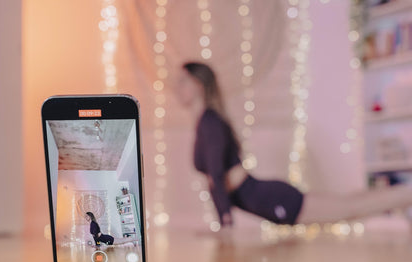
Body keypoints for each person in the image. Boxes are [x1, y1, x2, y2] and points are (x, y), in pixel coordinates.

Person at [176, 61, 412, 227]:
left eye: (182, 81)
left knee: (348, 209)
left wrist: (225, 221)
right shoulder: (206, 121)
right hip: (267, 196)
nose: (176, 87)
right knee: (349, 204)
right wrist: (224, 220)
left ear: (198, 84)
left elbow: (217, 176)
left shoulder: (209, 121)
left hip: (271, 198)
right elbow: (215, 179)